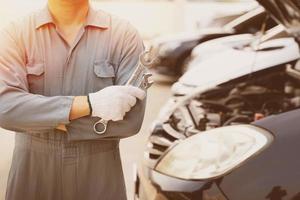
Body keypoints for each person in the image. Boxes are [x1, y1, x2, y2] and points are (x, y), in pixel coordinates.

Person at [0, 0, 147, 199]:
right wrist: (89, 104)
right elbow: (6, 108)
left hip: (99, 178)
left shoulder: (124, 35)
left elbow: (131, 120)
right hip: (33, 175)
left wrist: (47, 120)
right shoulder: (16, 33)